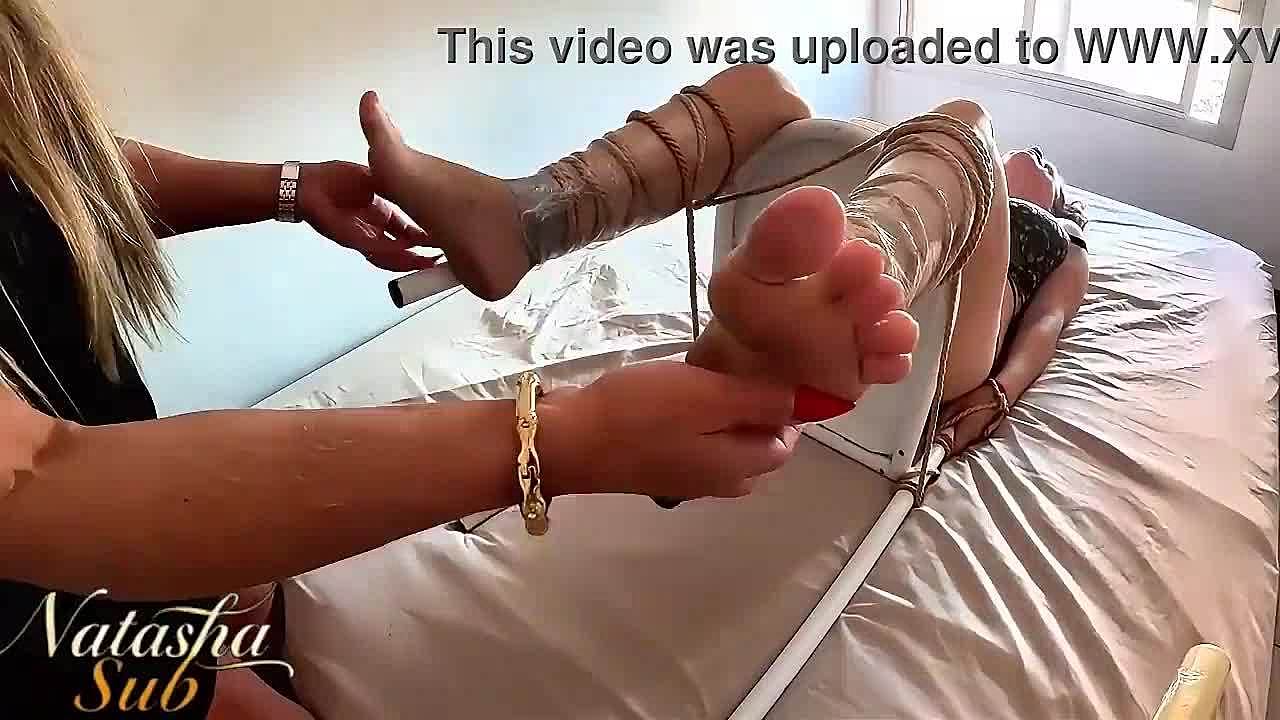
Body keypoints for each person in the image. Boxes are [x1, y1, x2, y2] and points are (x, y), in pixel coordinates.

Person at [0, 2, 921, 717]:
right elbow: (33, 480)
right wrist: (564, 436)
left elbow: (42, 173)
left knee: (768, 97)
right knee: (948, 127)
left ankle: (533, 214)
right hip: (37, 622)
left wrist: (286, 187)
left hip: (112, 516)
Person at [359, 64, 1089, 461]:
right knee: (764, 89)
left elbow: (1047, 325)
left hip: (938, 344)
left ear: (1058, 199)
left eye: (1051, 170)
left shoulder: (1063, 239)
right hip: (891, 211)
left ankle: (850, 285)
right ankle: (529, 217)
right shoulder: (907, 151)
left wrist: (996, 397)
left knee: (968, 122)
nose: (1040, 161)